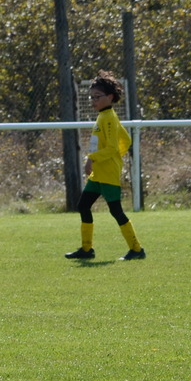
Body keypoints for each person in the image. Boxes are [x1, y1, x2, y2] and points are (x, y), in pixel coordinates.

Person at [66, 71, 144, 261]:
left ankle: (136, 249)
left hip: (107, 173)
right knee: (83, 206)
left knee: (116, 211)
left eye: (97, 97)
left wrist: (93, 158)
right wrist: (114, 156)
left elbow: (111, 148)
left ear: (110, 97)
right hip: (99, 173)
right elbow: (125, 139)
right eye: (91, 97)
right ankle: (86, 250)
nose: (93, 101)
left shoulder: (108, 117)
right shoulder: (104, 116)